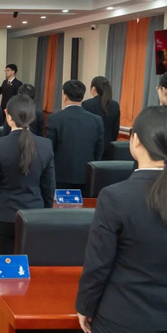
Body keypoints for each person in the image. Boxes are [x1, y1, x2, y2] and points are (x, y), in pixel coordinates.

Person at [76, 106, 167, 333]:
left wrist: (85, 306)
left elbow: (98, 264)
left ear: (135, 141)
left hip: (123, 317)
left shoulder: (115, 197)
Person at [0, 95, 55, 254]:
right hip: (34, 215)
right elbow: (49, 185)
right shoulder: (46, 145)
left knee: (1, 265)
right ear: (32, 117)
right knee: (29, 263)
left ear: (9, 116)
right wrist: (45, 213)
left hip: (2, 215)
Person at [46, 80, 104, 191]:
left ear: (65, 96)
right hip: (87, 174)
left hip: (60, 175)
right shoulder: (96, 120)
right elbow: (99, 150)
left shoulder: (55, 119)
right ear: (82, 97)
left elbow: (50, 148)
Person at [81, 77, 120, 159]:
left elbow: (84, 128)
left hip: (91, 146)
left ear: (93, 88)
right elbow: (115, 129)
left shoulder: (87, 104)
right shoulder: (115, 105)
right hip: (109, 146)